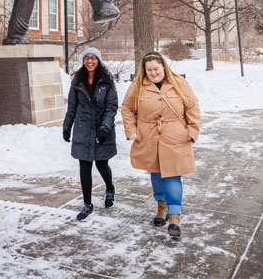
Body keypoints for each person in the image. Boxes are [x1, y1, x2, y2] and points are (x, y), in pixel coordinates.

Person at [121, 51, 200, 238]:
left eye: (156, 68)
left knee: (172, 175)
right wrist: (131, 130)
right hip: (148, 136)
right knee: (156, 173)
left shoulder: (179, 83)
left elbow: (192, 106)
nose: (153, 73)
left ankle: (174, 217)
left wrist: (193, 130)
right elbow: (126, 108)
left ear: (163, 66)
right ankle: (161, 207)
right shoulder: (137, 87)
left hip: (175, 136)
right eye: (149, 70)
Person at [62, 47, 118, 221]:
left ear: (98, 60)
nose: (90, 61)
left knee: (102, 164)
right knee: (84, 168)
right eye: (87, 58)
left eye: (93, 58)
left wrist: (105, 128)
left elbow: (112, 107)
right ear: (83, 61)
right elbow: (72, 107)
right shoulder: (77, 81)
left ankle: (110, 188)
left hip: (103, 130)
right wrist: (66, 127)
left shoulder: (107, 81)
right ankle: (87, 204)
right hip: (83, 130)